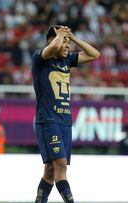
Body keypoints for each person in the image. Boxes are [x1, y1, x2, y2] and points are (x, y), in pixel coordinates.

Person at [31, 25, 100, 203]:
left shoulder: (67, 60)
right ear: (52, 41)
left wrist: (73, 37)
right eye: (65, 42)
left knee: (50, 171)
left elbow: (94, 54)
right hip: (47, 120)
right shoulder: (41, 57)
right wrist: (59, 36)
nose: (68, 46)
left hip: (65, 121)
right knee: (60, 165)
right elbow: (53, 48)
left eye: (68, 43)